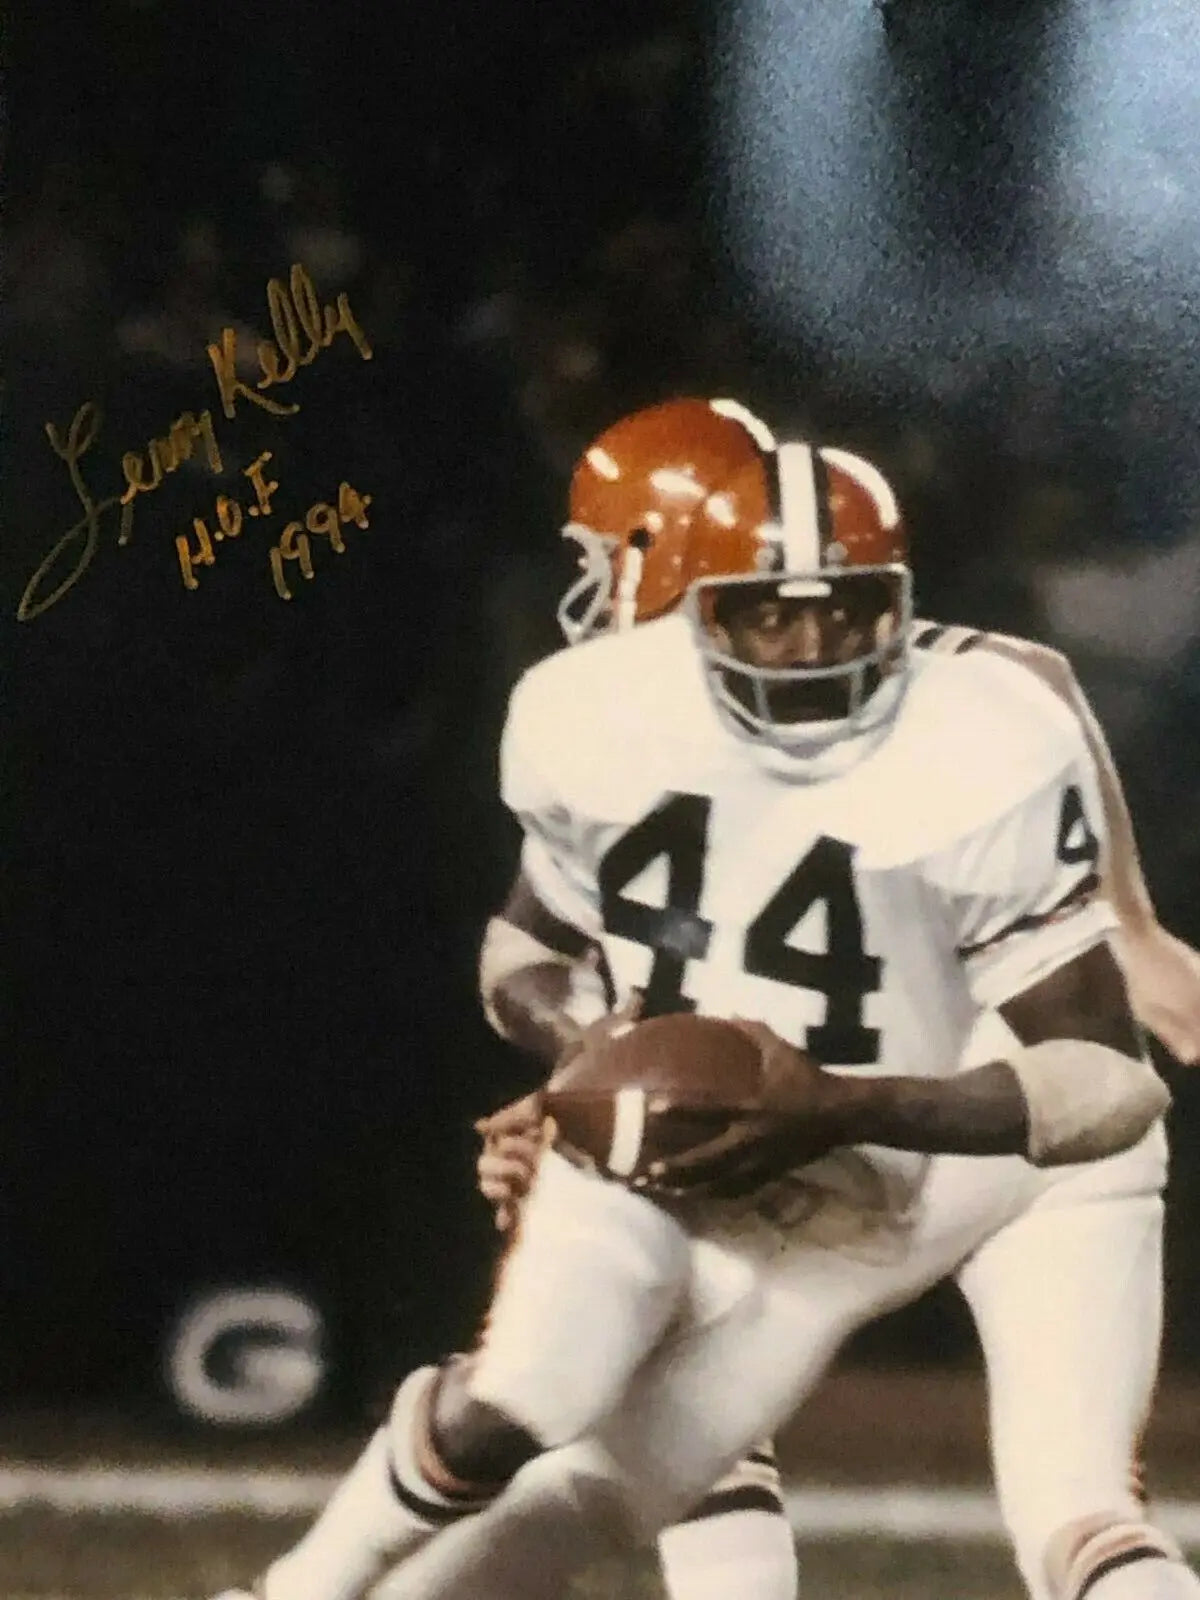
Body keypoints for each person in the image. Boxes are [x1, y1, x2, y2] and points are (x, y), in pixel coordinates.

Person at [216, 398, 1189, 1600]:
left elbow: (1103, 1039)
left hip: (981, 1135)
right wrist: (590, 1071)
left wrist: (836, 1098)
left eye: (604, 554)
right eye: (774, 613)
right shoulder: (615, 721)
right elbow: (542, 950)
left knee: (1045, 1503)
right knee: (593, 1428)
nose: (587, 592)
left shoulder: (981, 718)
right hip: (801, 1140)